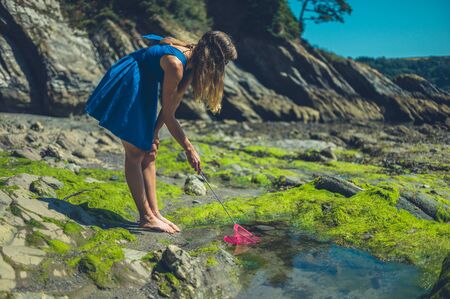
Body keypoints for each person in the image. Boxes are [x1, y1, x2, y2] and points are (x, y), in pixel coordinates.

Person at [85, 31, 238, 233]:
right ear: (213, 58)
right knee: (136, 153)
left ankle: (154, 213)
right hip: (130, 81)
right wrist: (189, 148)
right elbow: (168, 113)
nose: (222, 69)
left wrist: (154, 133)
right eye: (223, 63)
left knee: (149, 151)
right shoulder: (176, 64)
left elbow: (170, 110)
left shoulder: (191, 65)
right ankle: (146, 217)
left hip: (144, 86)